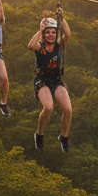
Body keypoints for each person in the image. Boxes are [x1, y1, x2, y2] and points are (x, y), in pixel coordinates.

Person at [28, 8, 71, 152]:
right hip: (42, 80)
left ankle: (64, 137)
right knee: (48, 107)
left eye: (53, 32)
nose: (51, 35)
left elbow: (68, 34)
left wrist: (61, 18)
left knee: (68, 109)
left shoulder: (59, 46)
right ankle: (39, 134)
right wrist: (40, 30)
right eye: (48, 32)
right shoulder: (40, 47)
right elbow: (30, 45)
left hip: (56, 80)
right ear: (44, 34)